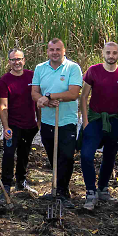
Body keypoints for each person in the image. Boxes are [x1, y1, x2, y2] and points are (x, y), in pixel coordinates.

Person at [79, 42, 118, 210]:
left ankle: (103, 189)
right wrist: (85, 122)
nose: (111, 56)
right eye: (108, 52)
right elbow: (83, 97)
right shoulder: (93, 71)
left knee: (110, 157)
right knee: (86, 155)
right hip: (95, 119)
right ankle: (90, 192)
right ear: (102, 53)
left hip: (115, 121)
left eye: (114, 53)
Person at [31, 39, 82, 208]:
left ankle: (62, 191)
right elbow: (34, 93)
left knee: (66, 156)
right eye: (51, 49)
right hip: (47, 121)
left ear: (64, 50)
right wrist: (43, 101)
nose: (55, 52)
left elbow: (73, 93)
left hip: (67, 122)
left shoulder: (72, 68)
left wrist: (51, 96)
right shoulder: (40, 68)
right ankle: (56, 188)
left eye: (58, 49)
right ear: (47, 51)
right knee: (53, 156)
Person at [0, 48, 38, 194]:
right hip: (13, 125)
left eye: (19, 59)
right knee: (8, 154)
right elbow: (3, 106)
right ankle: (6, 184)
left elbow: (37, 99)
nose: (17, 62)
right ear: (9, 62)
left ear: (24, 60)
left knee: (24, 154)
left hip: (30, 125)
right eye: (13, 60)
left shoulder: (32, 76)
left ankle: (21, 182)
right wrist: (6, 127)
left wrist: (38, 122)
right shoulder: (4, 81)